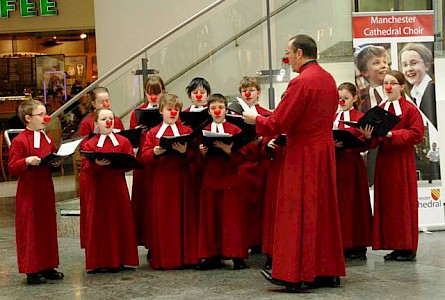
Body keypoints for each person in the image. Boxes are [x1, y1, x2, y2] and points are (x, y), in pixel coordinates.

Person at [243, 34, 345, 290]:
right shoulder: (329, 79)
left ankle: (294, 273)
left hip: (302, 153)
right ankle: (326, 271)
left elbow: (278, 122)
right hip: (323, 151)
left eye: (288, 53)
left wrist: (254, 119)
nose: (287, 59)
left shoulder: (301, 82)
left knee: (296, 211)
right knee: (322, 211)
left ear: (299, 53)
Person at [361, 70, 424, 261]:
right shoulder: (379, 108)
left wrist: (392, 135)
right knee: (387, 205)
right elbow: (373, 143)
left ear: (401, 86)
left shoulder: (409, 109)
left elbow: (416, 134)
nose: (388, 86)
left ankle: (407, 247)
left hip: (401, 161)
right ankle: (394, 245)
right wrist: (368, 136)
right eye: (385, 83)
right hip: (384, 162)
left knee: (402, 204)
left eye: (393, 83)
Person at [8, 100, 64, 284]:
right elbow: (12, 167)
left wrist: (56, 163)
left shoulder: (46, 138)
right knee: (30, 228)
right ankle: (31, 269)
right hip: (29, 190)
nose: (45, 118)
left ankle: (47, 265)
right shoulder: (19, 141)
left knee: (46, 226)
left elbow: (51, 155)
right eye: (40, 115)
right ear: (28, 118)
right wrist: (26, 161)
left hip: (45, 189)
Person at [82, 108, 139, 273]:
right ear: (96, 123)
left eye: (111, 118)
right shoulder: (90, 144)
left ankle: (121, 259)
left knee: (119, 221)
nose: (108, 122)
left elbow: (129, 161)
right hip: (98, 189)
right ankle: (99, 261)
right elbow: (85, 167)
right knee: (99, 224)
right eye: (104, 119)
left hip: (117, 188)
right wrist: (96, 165)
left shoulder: (123, 141)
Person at [139, 93, 192, 270]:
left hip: (181, 180)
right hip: (161, 181)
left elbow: (194, 158)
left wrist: (185, 151)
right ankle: (164, 258)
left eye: (176, 109)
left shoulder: (185, 131)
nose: (173, 113)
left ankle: (183, 258)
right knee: (163, 219)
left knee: (181, 219)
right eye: (169, 109)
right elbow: (144, 157)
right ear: (161, 110)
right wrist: (155, 153)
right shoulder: (153, 133)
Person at [197, 93, 249, 271]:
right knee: (210, 219)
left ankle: (237, 255)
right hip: (210, 179)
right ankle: (212, 255)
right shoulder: (202, 131)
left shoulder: (235, 130)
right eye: (213, 108)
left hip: (230, 179)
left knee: (232, 219)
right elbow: (196, 161)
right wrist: (202, 154)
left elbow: (243, 157)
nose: (217, 111)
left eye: (220, 108)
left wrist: (229, 151)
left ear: (226, 110)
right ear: (209, 111)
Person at [78, 86, 125, 249]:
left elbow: (121, 140)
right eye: (101, 101)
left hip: (114, 174)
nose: (105, 104)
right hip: (95, 175)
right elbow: (84, 149)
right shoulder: (86, 123)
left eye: (108, 100)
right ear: (93, 103)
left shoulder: (116, 120)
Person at [334, 82, 372, 259]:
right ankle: (339, 243)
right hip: (335, 165)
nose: (341, 101)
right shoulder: (332, 116)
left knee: (354, 205)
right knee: (337, 205)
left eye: (345, 98)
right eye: (339, 98)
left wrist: (361, 140)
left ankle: (356, 244)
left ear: (355, 98)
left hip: (352, 166)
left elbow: (365, 143)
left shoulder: (359, 116)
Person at [129, 75, 165, 260]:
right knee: (145, 204)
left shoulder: (167, 109)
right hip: (143, 162)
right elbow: (132, 142)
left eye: (157, 93)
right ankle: (148, 242)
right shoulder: (137, 113)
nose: (153, 97)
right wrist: (138, 132)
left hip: (162, 162)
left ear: (163, 92)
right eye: (150, 93)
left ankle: (160, 241)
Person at [236, 76, 271, 254]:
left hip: (261, 166)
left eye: (251, 90)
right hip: (243, 167)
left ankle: (260, 241)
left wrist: (262, 141)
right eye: (244, 90)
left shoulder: (267, 114)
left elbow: (272, 133)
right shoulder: (235, 115)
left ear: (258, 92)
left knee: (262, 206)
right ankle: (247, 240)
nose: (248, 93)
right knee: (244, 207)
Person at [354, 44, 389, 187]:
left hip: (391, 146)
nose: (383, 66)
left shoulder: (396, 93)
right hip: (372, 149)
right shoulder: (360, 96)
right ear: (364, 72)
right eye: (376, 63)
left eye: (385, 62)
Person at [399, 42, 436, 129]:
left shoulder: (433, 91)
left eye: (414, 63)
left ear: (427, 65)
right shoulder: (413, 96)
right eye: (405, 65)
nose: (409, 69)